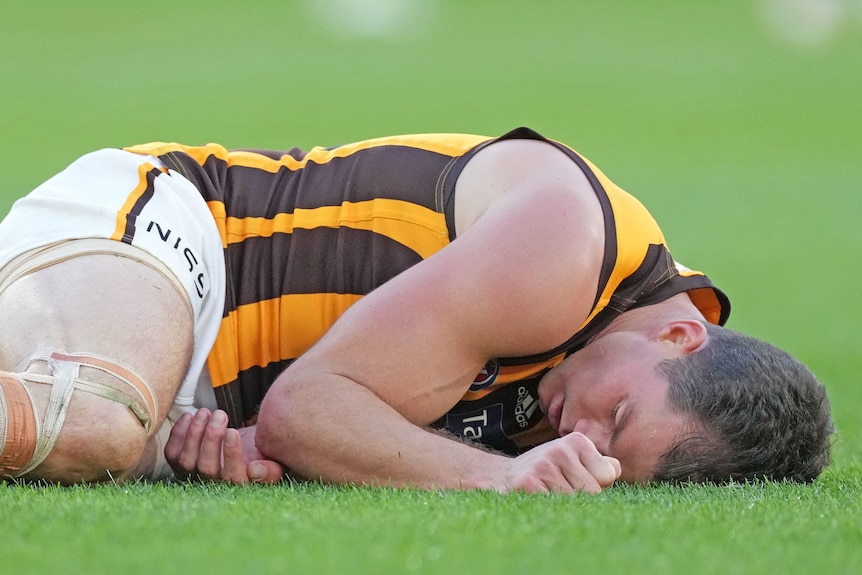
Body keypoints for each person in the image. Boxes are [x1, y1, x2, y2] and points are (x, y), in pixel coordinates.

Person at [0, 128, 833, 491]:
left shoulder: (590, 380)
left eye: (611, 457)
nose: (582, 439)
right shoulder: (566, 248)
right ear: (683, 334)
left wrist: (252, 455)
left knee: (98, 449)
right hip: (178, 237)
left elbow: (310, 435)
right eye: (614, 417)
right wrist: (498, 476)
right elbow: (308, 409)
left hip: (190, 386)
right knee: (96, 421)